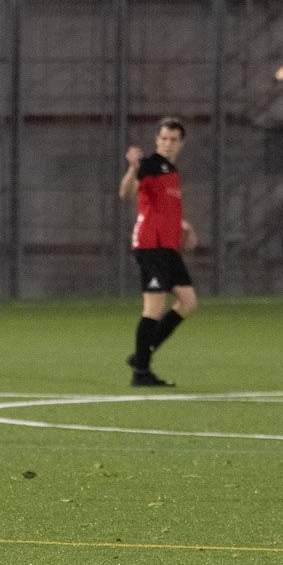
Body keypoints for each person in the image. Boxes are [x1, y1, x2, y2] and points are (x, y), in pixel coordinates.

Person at [118, 117, 199, 387]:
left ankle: (141, 355)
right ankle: (141, 373)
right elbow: (126, 191)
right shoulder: (150, 165)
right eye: (163, 138)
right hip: (150, 245)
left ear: (181, 143)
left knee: (188, 303)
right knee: (153, 307)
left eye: (173, 140)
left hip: (168, 248)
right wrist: (132, 168)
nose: (167, 144)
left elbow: (164, 207)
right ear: (156, 140)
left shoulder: (171, 170)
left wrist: (183, 225)